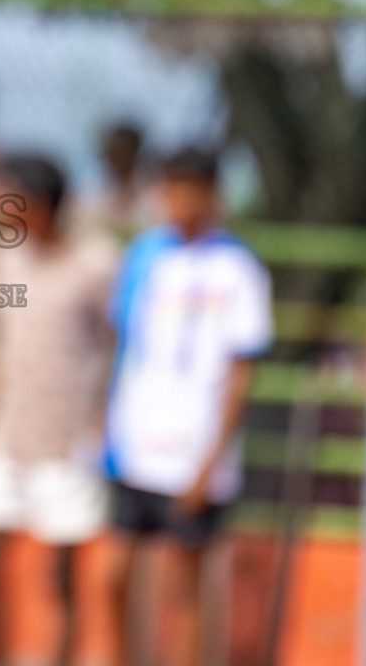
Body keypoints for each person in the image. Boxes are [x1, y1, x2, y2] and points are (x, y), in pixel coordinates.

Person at [100, 148, 272, 666]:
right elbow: (122, 346)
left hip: (195, 450)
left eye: (188, 189)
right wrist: (106, 428)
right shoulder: (145, 256)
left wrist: (211, 460)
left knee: (185, 584)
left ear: (212, 194)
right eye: (170, 189)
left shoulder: (238, 268)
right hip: (137, 445)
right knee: (115, 575)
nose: (177, 201)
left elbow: (241, 371)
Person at [0, 156, 117, 661]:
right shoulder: (2, 259)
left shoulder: (96, 265)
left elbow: (118, 346)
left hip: (68, 441)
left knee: (60, 576)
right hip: (5, 434)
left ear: (41, 204)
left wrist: (104, 419)